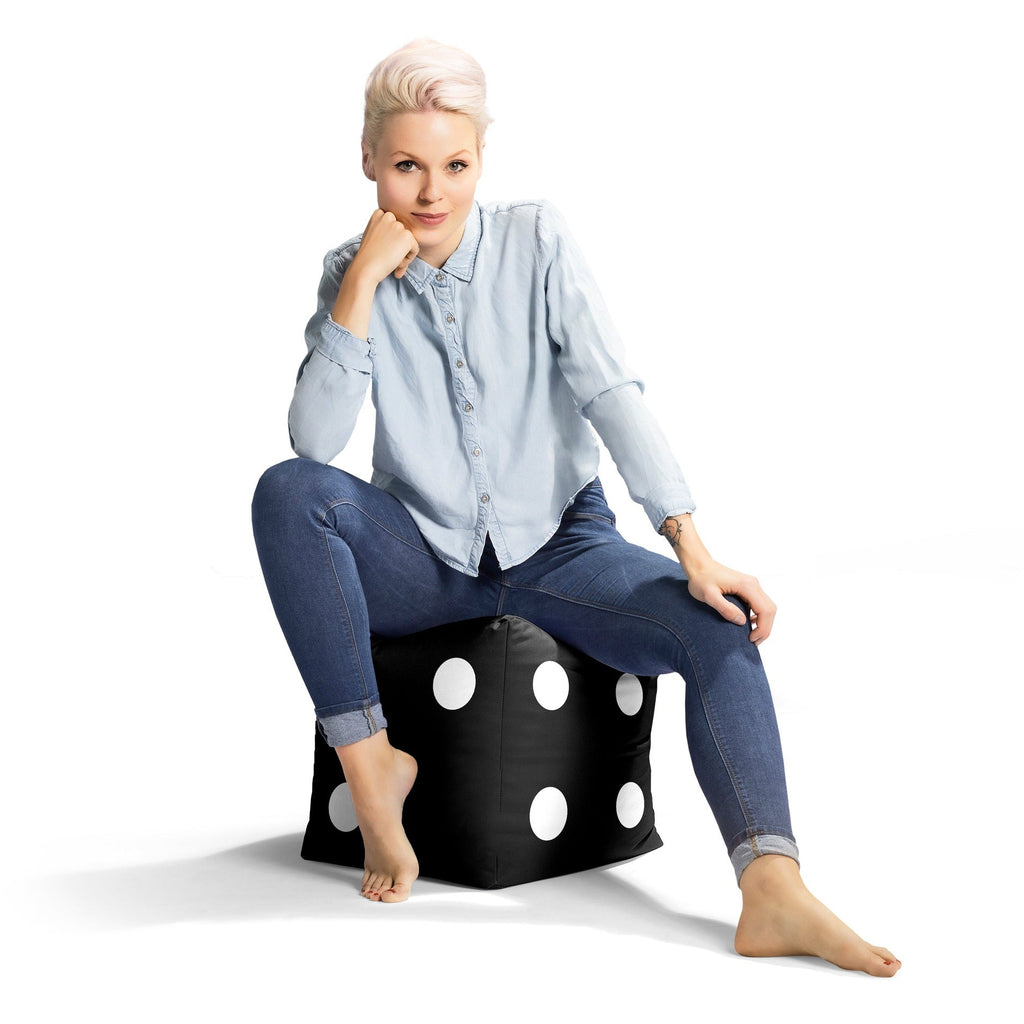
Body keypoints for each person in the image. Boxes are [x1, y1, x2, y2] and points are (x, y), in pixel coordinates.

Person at [251, 39, 900, 977]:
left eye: (455, 165)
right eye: (406, 167)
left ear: (482, 158)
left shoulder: (537, 241)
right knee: (287, 492)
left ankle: (772, 888)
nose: (431, 193)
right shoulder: (350, 272)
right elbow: (314, 442)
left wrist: (692, 548)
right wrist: (360, 285)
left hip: (564, 548)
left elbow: (610, 391)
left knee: (716, 625)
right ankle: (372, 766)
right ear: (368, 163)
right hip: (423, 559)